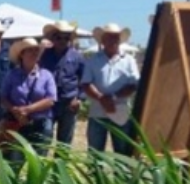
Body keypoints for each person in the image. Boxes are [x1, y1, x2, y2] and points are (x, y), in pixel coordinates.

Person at [81, 23, 139, 156]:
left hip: (121, 112)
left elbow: (134, 84)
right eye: (109, 37)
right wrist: (101, 98)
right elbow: (86, 83)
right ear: (103, 40)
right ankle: (97, 176)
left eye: (115, 37)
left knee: (122, 153)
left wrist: (112, 98)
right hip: (97, 113)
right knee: (95, 153)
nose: (112, 40)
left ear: (119, 40)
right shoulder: (93, 60)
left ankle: (121, 176)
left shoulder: (129, 60)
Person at [0, 37, 57, 159]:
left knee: (39, 162)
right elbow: (3, 97)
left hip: (41, 124)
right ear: (22, 54)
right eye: (30, 50)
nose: (34, 53)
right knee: (14, 161)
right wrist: (14, 111)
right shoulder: (12, 75)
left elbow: (51, 100)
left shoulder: (46, 75)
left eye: (36, 50)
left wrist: (27, 110)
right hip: (17, 123)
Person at [39, 20, 85, 146]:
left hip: (69, 103)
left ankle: (60, 165)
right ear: (53, 38)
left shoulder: (77, 57)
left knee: (64, 141)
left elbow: (85, 79)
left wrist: (79, 98)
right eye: (59, 37)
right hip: (48, 103)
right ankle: (43, 164)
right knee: (45, 134)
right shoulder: (44, 56)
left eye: (66, 38)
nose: (62, 40)